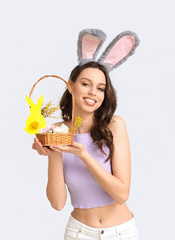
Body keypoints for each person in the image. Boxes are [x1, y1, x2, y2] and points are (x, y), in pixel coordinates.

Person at [32, 29, 140, 239]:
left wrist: (84, 155)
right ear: (71, 86)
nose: (93, 92)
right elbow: (57, 203)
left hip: (121, 233)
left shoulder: (115, 126)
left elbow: (121, 194)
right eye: (86, 84)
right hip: (79, 233)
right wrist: (54, 153)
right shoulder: (57, 131)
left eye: (100, 88)